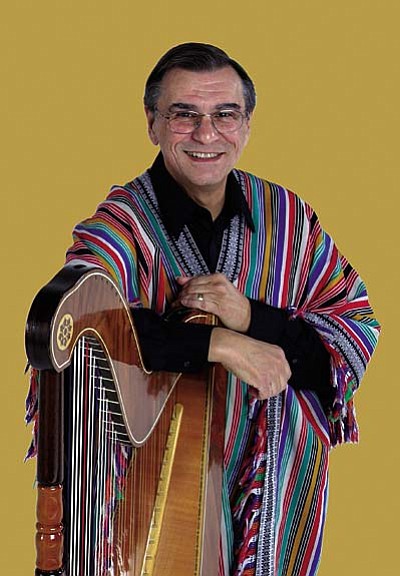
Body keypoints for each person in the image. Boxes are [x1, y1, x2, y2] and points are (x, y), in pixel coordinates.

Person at [63, 43, 379, 575]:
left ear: (247, 124)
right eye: (184, 115)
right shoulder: (123, 222)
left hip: (266, 490)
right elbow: (81, 324)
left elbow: (350, 334)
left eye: (225, 115)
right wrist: (219, 343)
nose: (207, 135)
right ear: (152, 123)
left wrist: (251, 318)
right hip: (141, 499)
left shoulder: (287, 219)